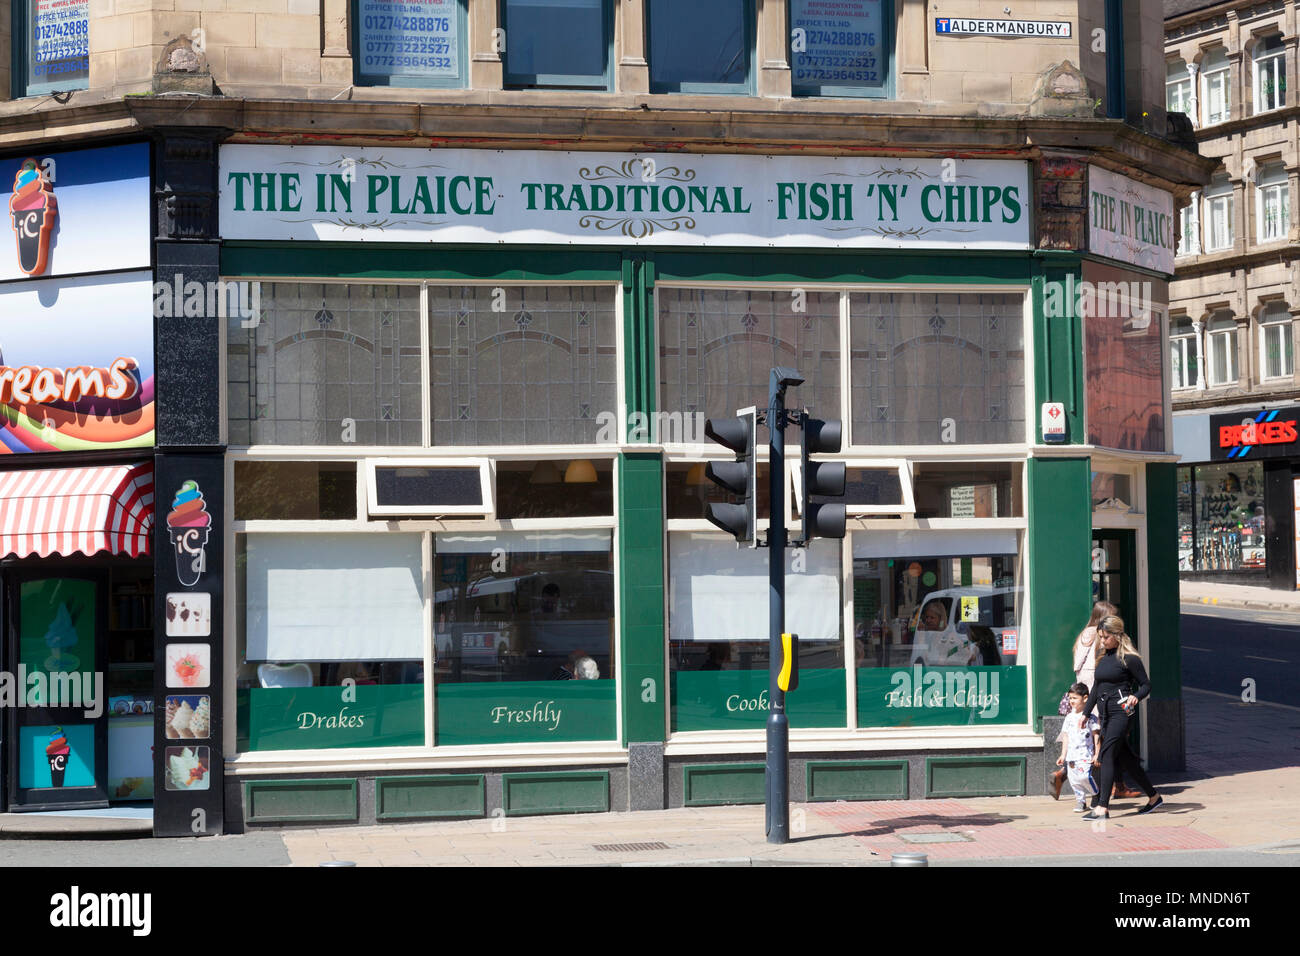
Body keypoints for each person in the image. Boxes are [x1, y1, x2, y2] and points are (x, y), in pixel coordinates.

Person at [1080, 615, 1163, 820]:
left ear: (1117, 635)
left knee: (1106, 756)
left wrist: (1135, 697)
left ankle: (1102, 807)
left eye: (1106, 637)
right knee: (1127, 759)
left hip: (1121, 713)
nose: (1102, 641)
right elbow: (1096, 687)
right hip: (1106, 714)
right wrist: (1085, 713)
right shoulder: (1104, 656)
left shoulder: (1129, 658)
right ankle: (1154, 797)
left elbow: (1146, 685)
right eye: (1101, 637)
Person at [1054, 682, 1101, 812]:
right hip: (1071, 756)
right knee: (1074, 781)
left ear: (1085, 698)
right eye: (1070, 698)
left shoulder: (1091, 718)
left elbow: (1096, 736)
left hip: (1086, 754)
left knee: (1084, 777)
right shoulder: (1069, 718)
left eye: (1074, 698)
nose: (1071, 701)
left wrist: (1097, 754)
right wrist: (1063, 755)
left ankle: (1096, 794)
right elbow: (1066, 736)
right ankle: (1081, 802)